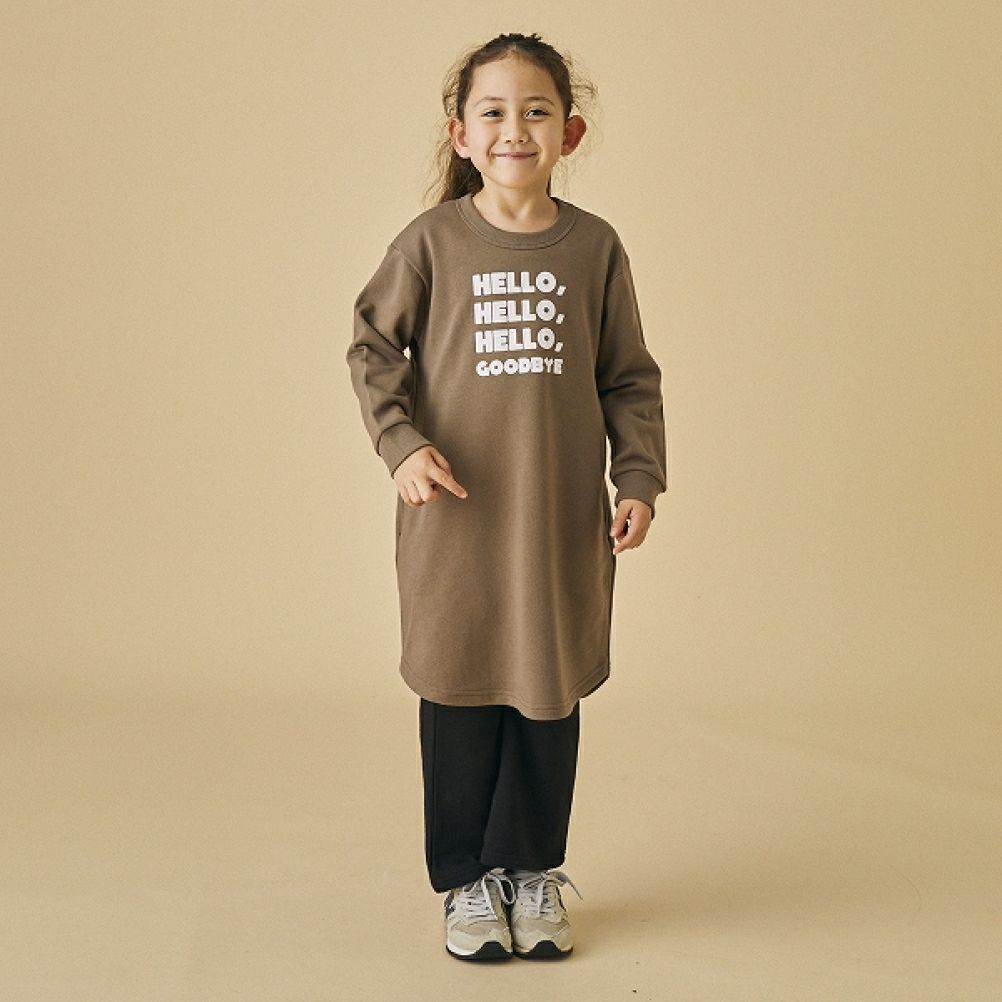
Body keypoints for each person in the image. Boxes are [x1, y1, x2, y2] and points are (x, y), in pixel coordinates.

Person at [346, 30, 668, 961]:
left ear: (569, 132)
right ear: (461, 134)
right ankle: (465, 881)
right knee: (458, 690)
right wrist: (401, 445)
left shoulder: (595, 248)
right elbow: (372, 347)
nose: (514, 129)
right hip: (454, 525)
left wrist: (638, 476)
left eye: (536, 112)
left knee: (545, 695)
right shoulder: (431, 244)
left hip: (558, 523)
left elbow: (629, 377)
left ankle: (530, 871)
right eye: (492, 112)